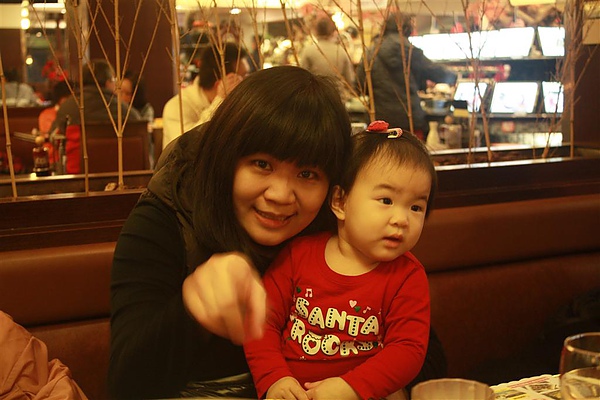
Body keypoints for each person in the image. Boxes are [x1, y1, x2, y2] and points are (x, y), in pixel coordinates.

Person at [108, 65, 353, 399]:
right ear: (227, 159)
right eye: (262, 164)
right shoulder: (166, 219)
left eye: (307, 174)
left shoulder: (338, 227)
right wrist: (193, 310)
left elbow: (414, 346)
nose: (280, 195)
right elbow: (124, 384)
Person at [244, 120, 435, 400]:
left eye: (416, 207)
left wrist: (352, 387)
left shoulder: (407, 275)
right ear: (340, 202)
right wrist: (274, 378)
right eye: (386, 200)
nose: (401, 219)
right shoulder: (299, 255)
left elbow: (408, 350)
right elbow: (262, 321)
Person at [356, 14, 457, 141]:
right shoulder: (410, 52)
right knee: (411, 152)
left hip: (379, 121)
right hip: (409, 120)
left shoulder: (370, 53)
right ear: (407, 29)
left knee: (381, 153)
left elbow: (359, 85)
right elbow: (437, 73)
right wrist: (454, 76)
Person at [161, 42, 248, 149]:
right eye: (242, 77)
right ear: (221, 82)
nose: (246, 82)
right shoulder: (177, 106)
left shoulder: (237, 106)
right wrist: (220, 101)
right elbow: (186, 149)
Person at [50, 59, 141, 135]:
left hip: (77, 152)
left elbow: (54, 136)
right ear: (108, 83)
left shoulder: (67, 108)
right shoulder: (126, 112)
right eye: (114, 80)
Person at [300, 15, 355, 101]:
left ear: (316, 32)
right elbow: (349, 80)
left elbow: (302, 78)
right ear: (333, 32)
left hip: (315, 98)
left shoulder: (308, 51)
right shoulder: (341, 51)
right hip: (337, 97)